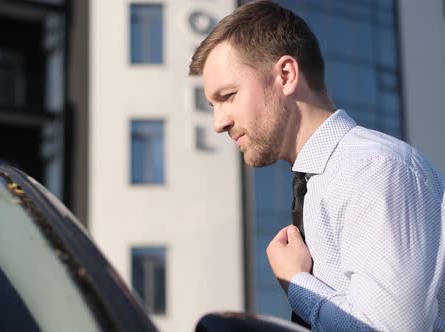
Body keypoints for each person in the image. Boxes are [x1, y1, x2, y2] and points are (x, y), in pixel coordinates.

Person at [189, 1, 445, 331]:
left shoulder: (375, 169)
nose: (218, 123)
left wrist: (298, 283)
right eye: (212, 105)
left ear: (285, 75)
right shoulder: (322, 183)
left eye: (228, 96)